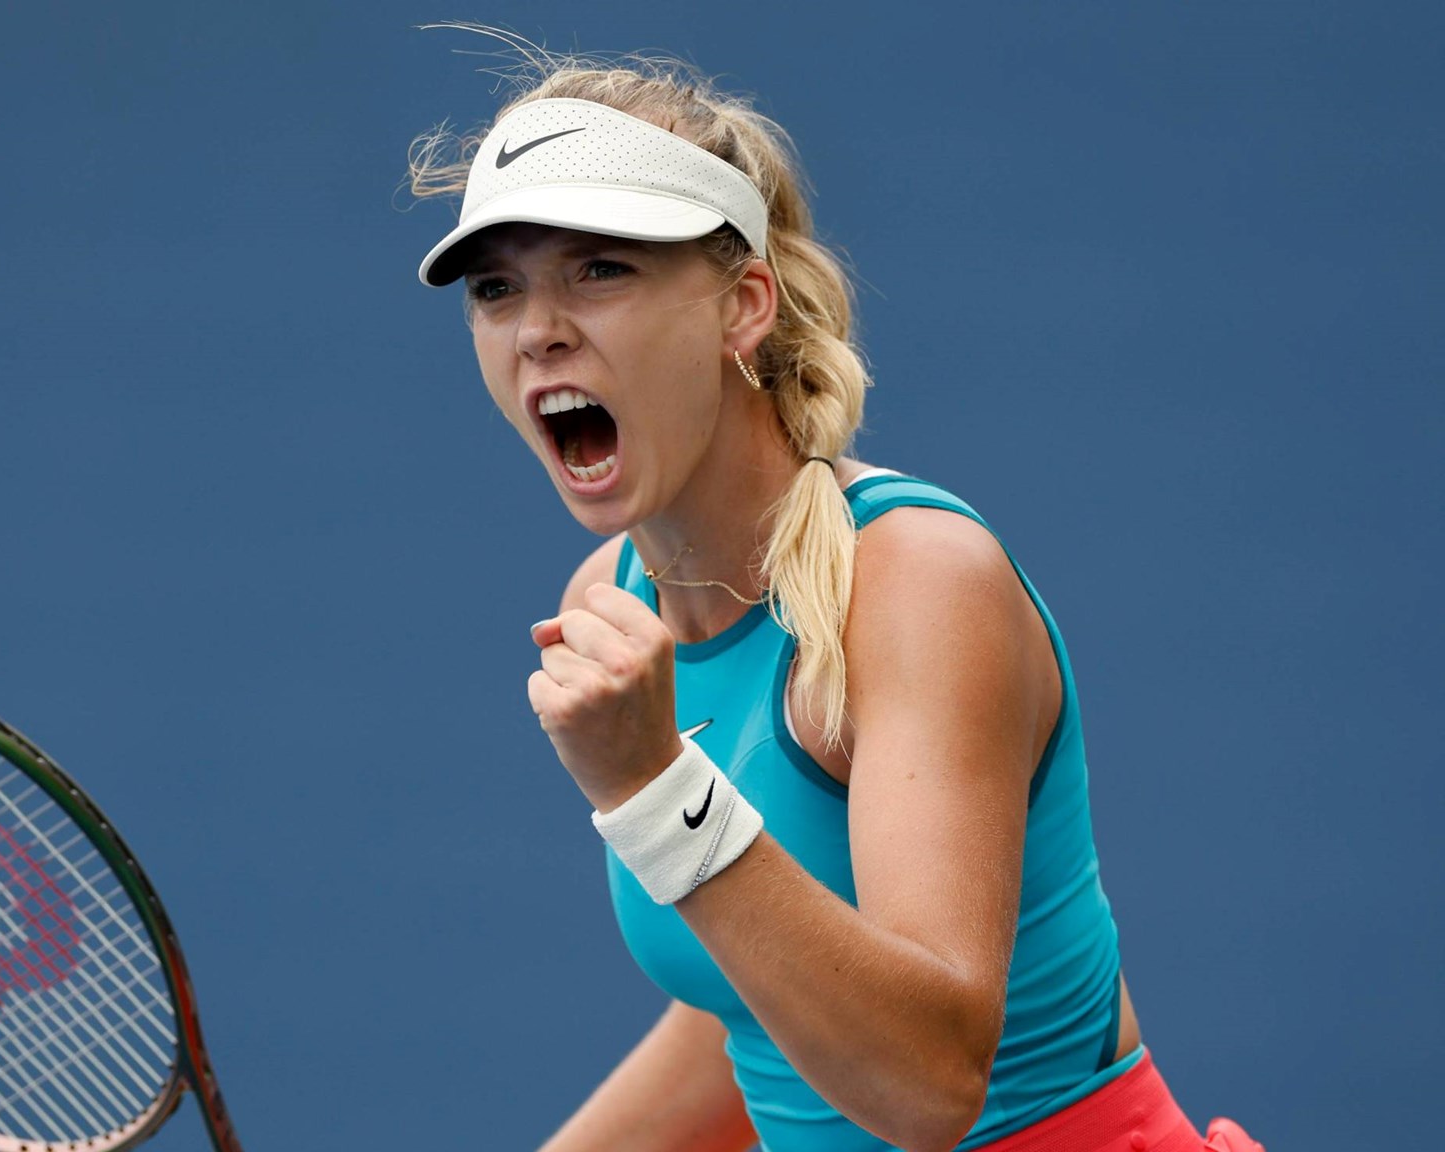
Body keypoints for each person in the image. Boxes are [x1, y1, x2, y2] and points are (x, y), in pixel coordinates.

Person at [409, 45, 1266, 1152]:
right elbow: (753, 997)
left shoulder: (915, 581)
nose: (537, 328)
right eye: (495, 289)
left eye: (599, 270)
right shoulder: (609, 598)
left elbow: (926, 1086)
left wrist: (657, 790)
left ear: (740, 308)